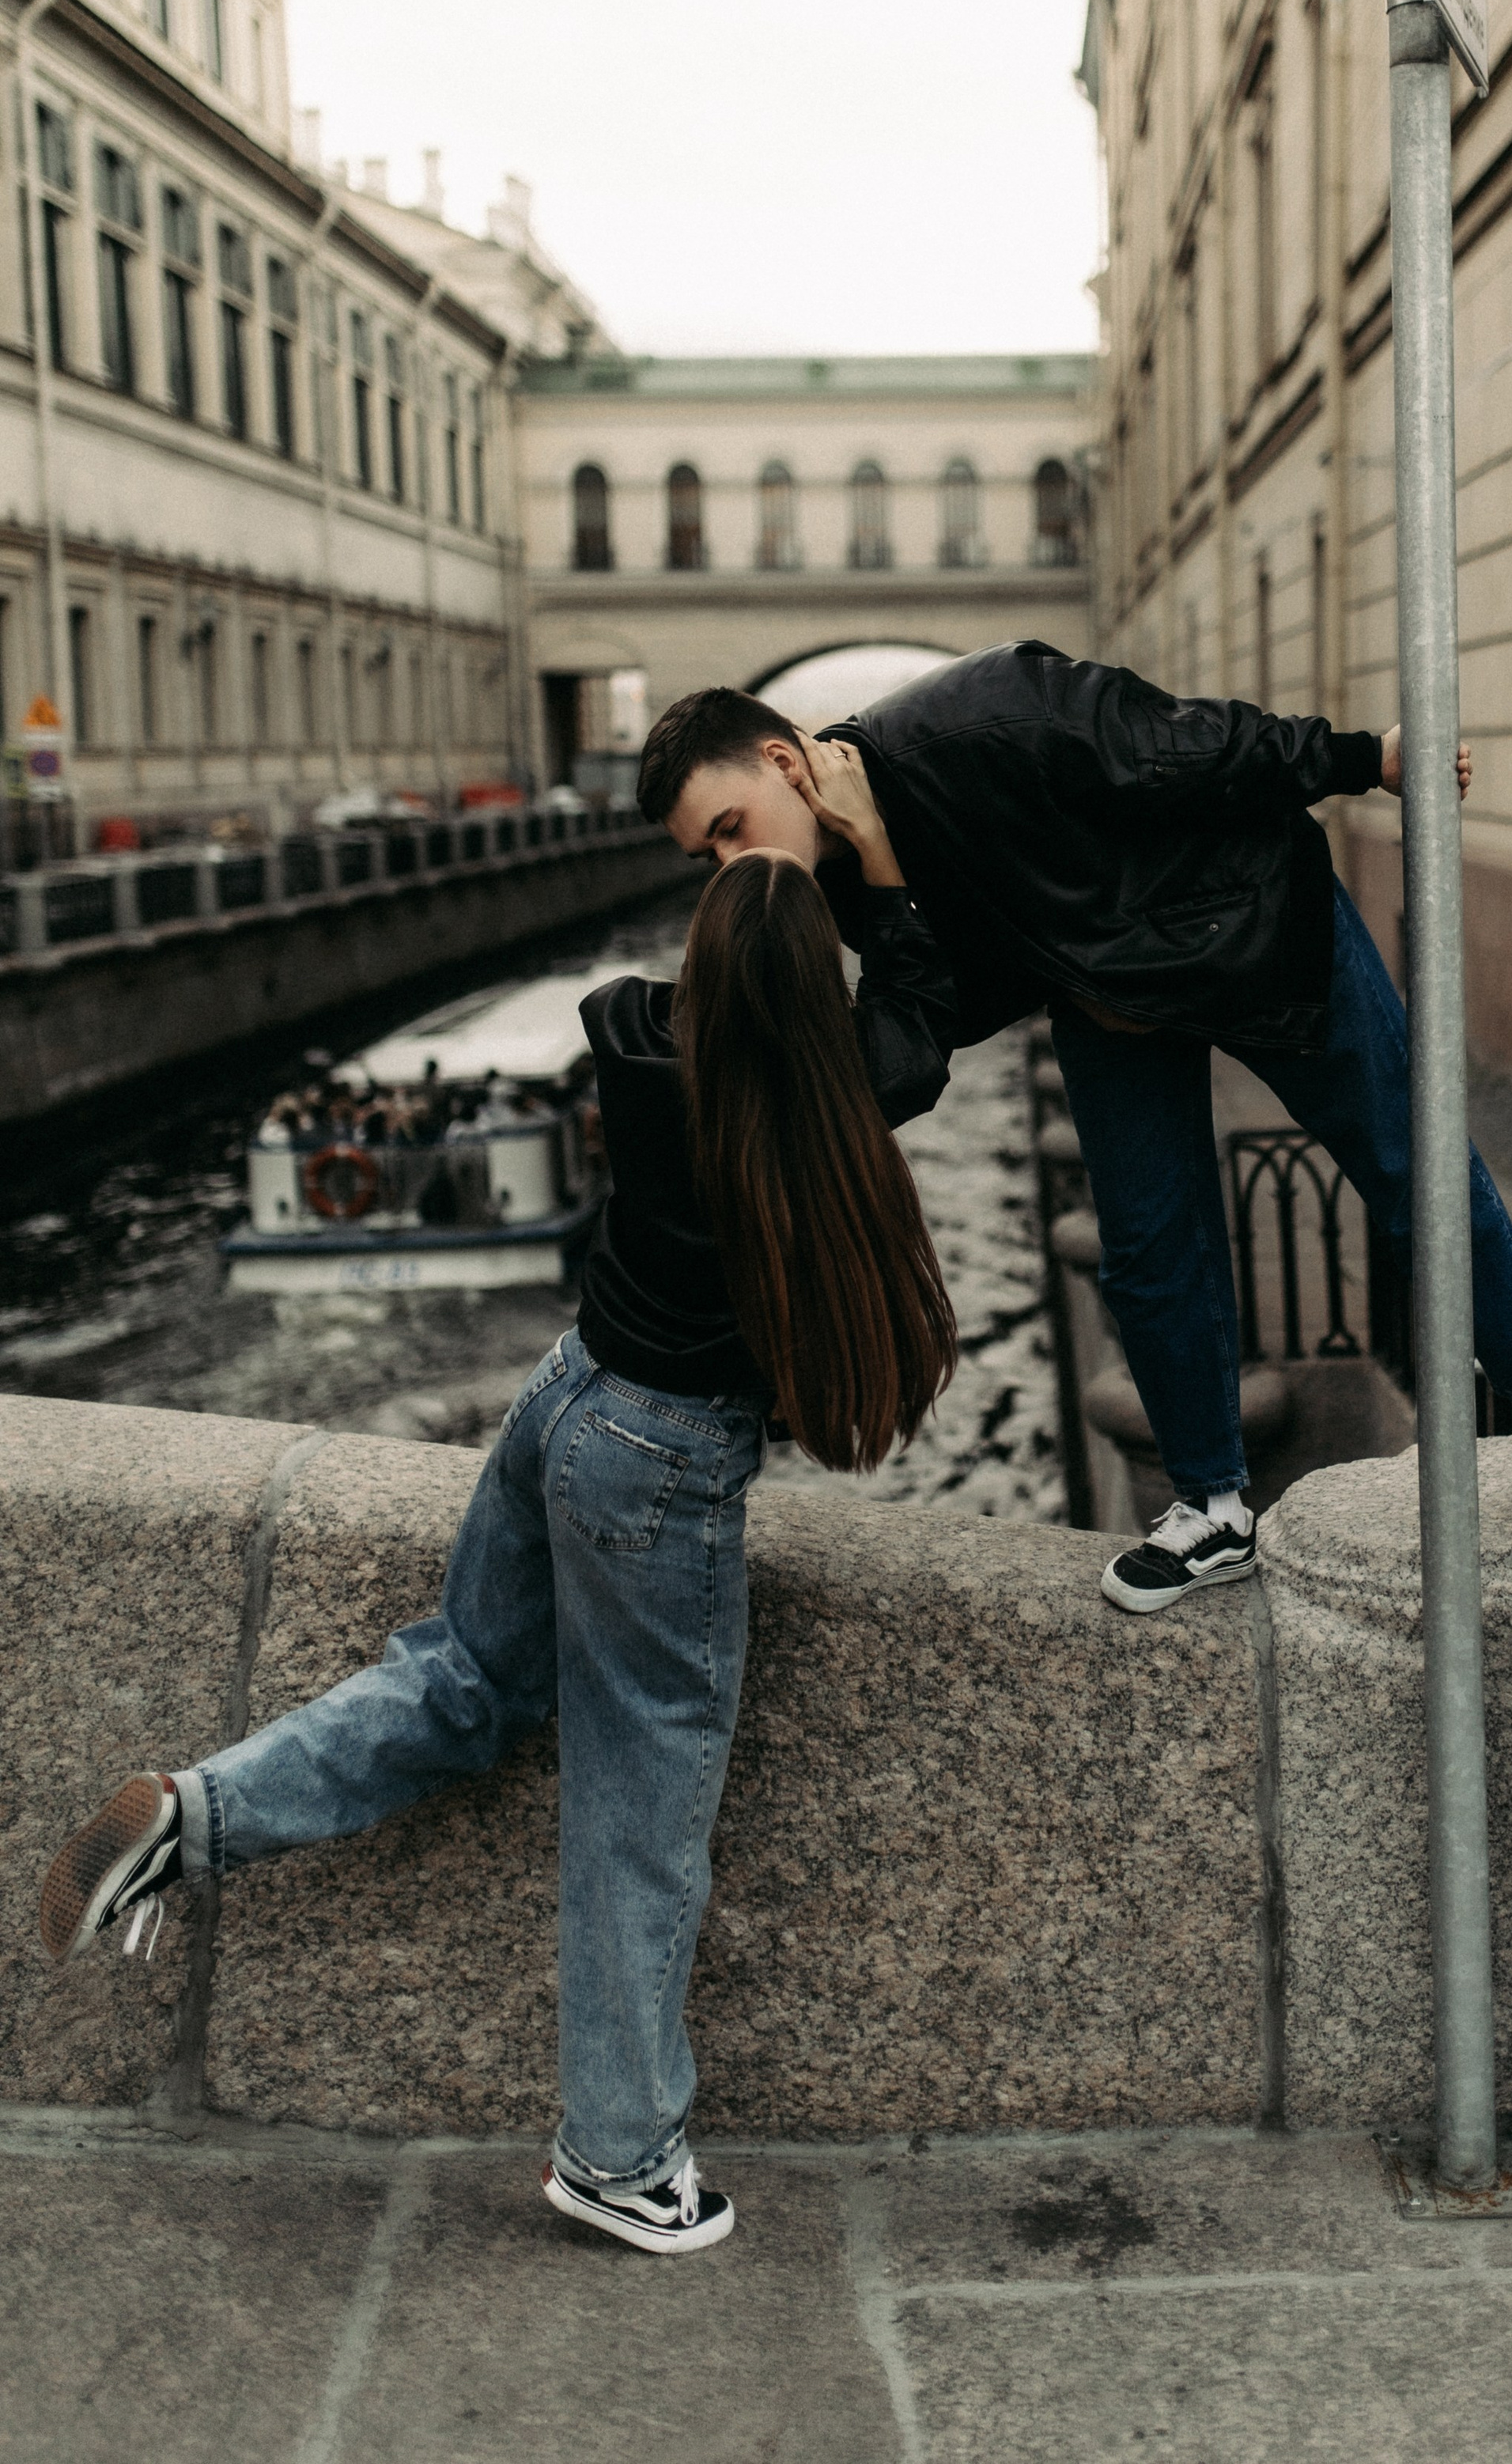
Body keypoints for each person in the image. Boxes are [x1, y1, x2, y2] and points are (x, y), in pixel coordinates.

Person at [38, 836, 960, 2259]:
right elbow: (921, 1021)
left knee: (462, 1675)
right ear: (812, 1002)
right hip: (662, 1459)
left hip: (562, 1397)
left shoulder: (632, 1039)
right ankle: (619, 2156)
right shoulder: (820, 1100)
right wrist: (880, 876)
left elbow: (654, 991)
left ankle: (193, 1809)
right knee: (641, 1812)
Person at [641, 645, 1512, 1613]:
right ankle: (1212, 1508)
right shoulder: (843, 881)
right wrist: (887, 869)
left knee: (1406, 1161)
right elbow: (919, 1043)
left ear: (782, 761)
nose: (731, 866)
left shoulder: (984, 714)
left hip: (1244, 917)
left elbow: (1185, 745)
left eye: (729, 829)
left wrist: (1364, 759)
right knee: (1148, 1246)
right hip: (1105, 997)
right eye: (705, 857)